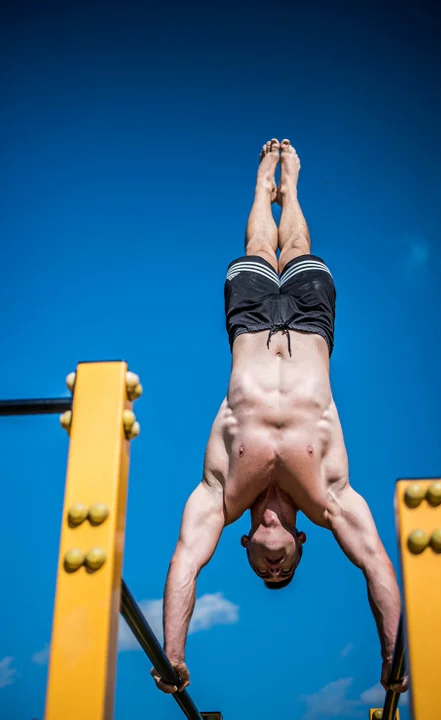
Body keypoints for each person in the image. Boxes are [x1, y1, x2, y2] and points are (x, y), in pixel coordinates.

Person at [151, 138, 407, 698]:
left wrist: (173, 654)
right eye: (282, 571)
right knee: (297, 242)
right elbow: (377, 566)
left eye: (264, 572)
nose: (272, 569)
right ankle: (290, 184)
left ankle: (262, 177)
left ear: (245, 545)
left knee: (257, 244)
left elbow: (185, 565)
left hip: (248, 326)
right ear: (297, 545)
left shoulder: (221, 495)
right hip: (313, 325)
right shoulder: (328, 496)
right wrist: (393, 656)